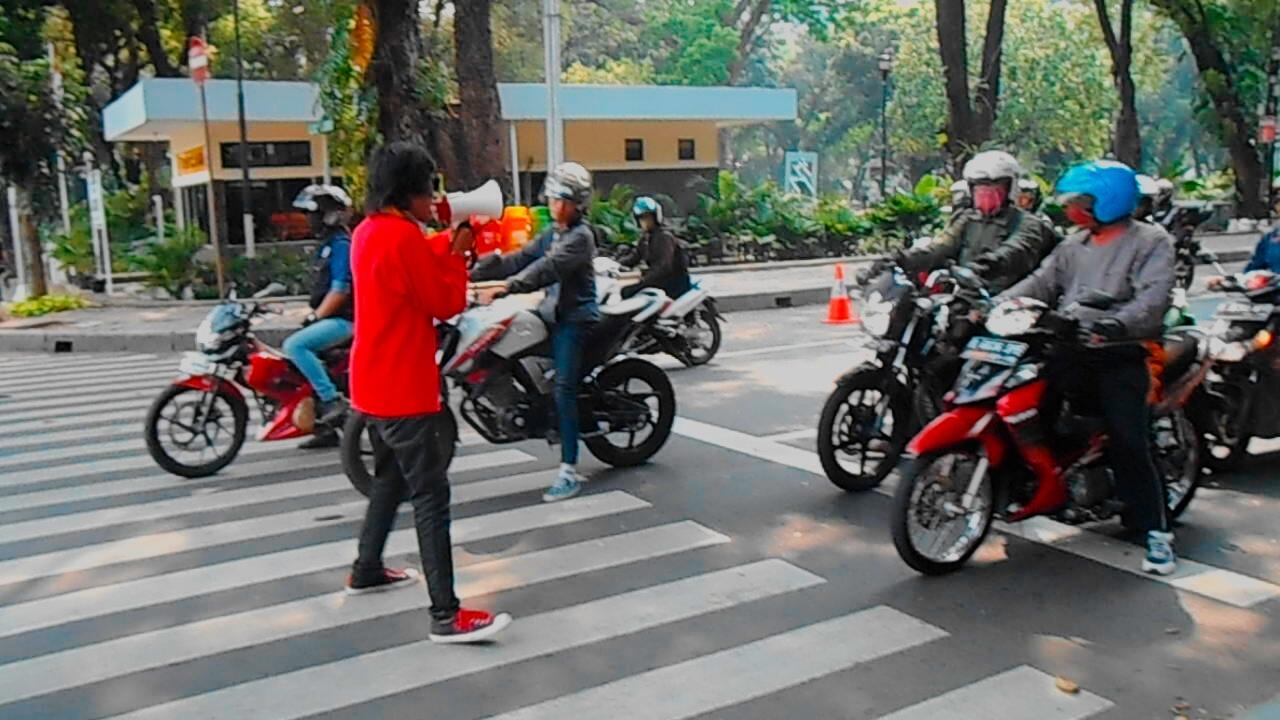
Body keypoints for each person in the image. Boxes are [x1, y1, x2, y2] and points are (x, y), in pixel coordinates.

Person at [345, 141, 511, 644]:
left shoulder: (369, 232)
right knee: (431, 496)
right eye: (429, 189)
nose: (434, 199)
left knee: (390, 478)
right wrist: (460, 256)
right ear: (409, 192)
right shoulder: (403, 238)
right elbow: (444, 303)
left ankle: (366, 568)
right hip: (404, 387)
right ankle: (446, 614)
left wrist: (445, 243)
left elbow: (411, 265)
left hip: (371, 385)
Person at [999, 159, 1178, 575]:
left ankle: (1156, 533)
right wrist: (995, 304)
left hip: (1118, 351)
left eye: (1077, 202)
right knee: (1023, 409)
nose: (1069, 209)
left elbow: (1153, 299)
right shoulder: (1074, 244)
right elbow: (1040, 283)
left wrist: (1117, 324)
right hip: (1067, 346)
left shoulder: (1151, 241)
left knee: (1127, 439)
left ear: (1106, 203)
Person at [472, 162, 600, 503]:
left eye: (564, 201)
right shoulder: (555, 233)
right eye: (555, 199)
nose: (557, 206)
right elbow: (524, 257)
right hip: (550, 315)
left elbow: (546, 268)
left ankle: (568, 472)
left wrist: (507, 287)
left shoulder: (580, 238)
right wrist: (481, 267)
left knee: (563, 390)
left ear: (579, 204)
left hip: (574, 320)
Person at [888, 150, 1059, 292]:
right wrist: (899, 259)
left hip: (1007, 303)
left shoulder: (1028, 223)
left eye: (993, 190)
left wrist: (982, 267)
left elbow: (1014, 250)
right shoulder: (967, 220)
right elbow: (940, 247)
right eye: (979, 190)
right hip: (966, 293)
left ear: (1010, 189)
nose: (985, 196)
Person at [282, 184, 355, 449]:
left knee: (295, 346)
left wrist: (316, 317)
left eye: (314, 214)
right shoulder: (326, 245)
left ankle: (332, 399)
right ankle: (324, 429)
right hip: (331, 318)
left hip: (346, 321)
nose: (309, 220)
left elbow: (340, 290)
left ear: (329, 215)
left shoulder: (341, 245)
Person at [618, 196, 691, 300]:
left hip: (672, 283)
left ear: (656, 216)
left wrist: (645, 279)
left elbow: (663, 266)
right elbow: (635, 257)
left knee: (627, 292)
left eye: (648, 217)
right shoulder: (646, 238)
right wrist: (616, 264)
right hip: (658, 280)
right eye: (642, 218)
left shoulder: (664, 236)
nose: (645, 221)